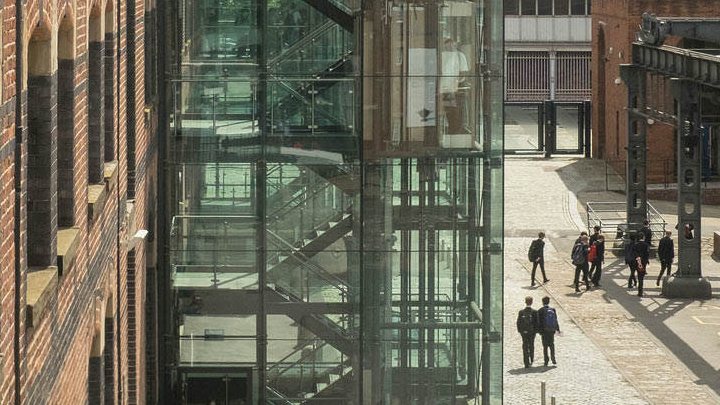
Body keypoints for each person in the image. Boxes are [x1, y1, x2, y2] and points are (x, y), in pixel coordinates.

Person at [441, 38, 470, 134]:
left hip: (456, 88)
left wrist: (455, 84)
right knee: (447, 110)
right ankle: (450, 129)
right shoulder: (442, 55)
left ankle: (456, 130)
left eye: (451, 44)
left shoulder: (460, 56)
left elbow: (463, 73)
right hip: (444, 88)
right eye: (447, 44)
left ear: (455, 44)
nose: (449, 46)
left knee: (456, 111)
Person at [516, 296, 539, 368]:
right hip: (532, 332)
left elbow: (518, 322)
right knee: (531, 344)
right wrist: (535, 331)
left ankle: (526, 362)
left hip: (524, 332)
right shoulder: (535, 312)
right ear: (532, 302)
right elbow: (537, 323)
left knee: (525, 345)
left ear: (525, 302)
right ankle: (531, 359)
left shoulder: (521, 312)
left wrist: (520, 331)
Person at [537, 296, 560, 366]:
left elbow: (539, 322)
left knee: (545, 346)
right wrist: (558, 329)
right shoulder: (553, 309)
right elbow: (555, 319)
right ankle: (553, 358)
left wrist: (539, 331)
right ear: (549, 302)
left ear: (542, 302)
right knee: (552, 344)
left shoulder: (540, 310)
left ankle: (546, 360)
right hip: (551, 330)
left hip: (544, 331)